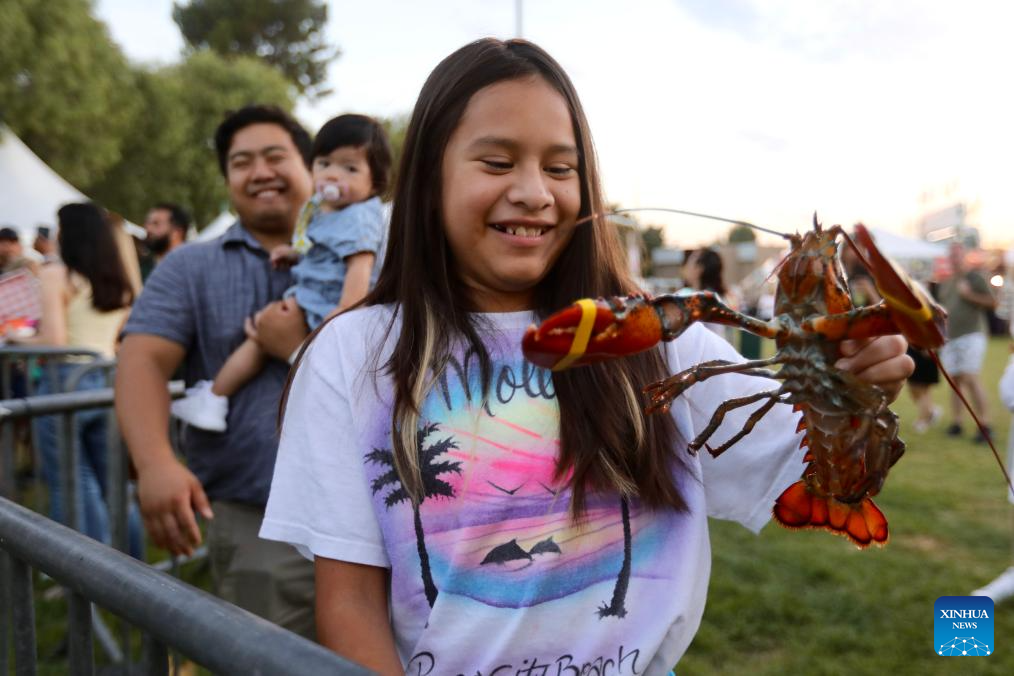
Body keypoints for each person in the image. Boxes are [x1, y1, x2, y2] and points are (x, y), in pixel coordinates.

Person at [259, 38, 913, 672]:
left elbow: (807, 466)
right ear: (429, 179)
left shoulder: (667, 340)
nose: (534, 192)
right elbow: (348, 603)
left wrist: (859, 384)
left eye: (560, 168)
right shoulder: (352, 353)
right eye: (497, 163)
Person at [115, 104, 316, 638]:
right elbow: (142, 359)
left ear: (310, 164)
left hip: (389, 513)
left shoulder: (375, 255)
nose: (260, 172)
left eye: (275, 156)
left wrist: (296, 348)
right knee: (271, 660)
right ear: (228, 180)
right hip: (259, 524)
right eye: (241, 162)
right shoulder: (190, 266)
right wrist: (155, 462)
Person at [170, 114, 392, 432]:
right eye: (324, 164)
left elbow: (360, 265)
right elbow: (321, 248)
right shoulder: (324, 209)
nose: (333, 175)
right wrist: (292, 253)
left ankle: (215, 397)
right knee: (261, 337)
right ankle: (215, 398)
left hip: (330, 306)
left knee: (297, 355)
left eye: (350, 168)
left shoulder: (360, 217)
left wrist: (344, 312)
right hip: (312, 295)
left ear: (375, 182)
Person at [11, 203, 142, 555]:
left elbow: (54, 340)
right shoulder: (115, 276)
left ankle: (86, 573)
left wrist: (15, 339)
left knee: (73, 483)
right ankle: (134, 568)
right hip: (107, 380)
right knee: (114, 484)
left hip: (65, 381)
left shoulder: (57, 274)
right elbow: (120, 333)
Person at [938, 241, 997, 442]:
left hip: (972, 334)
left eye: (957, 254)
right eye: (951, 255)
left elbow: (992, 302)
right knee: (955, 381)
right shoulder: (947, 282)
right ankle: (957, 422)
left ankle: (985, 424)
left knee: (970, 377)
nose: (954, 259)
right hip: (950, 337)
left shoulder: (974, 277)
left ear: (964, 256)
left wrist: (968, 294)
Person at [680, 247, 733, 343]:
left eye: (689, 262)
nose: (685, 267)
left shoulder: (702, 299)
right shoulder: (716, 297)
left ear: (699, 269)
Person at [139, 203, 191, 282]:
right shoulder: (141, 268)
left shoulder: (194, 269)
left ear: (177, 232)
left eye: (156, 223)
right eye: (148, 223)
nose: (148, 229)